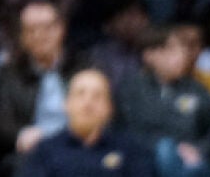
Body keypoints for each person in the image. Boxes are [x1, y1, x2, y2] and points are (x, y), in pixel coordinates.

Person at [116, 27, 210, 177]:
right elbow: (124, 132)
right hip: (145, 161)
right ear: (149, 55)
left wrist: (200, 148)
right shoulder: (131, 90)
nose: (181, 56)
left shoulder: (196, 89)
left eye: (182, 50)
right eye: (171, 50)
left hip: (190, 162)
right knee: (164, 149)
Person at [0, 2, 84, 165]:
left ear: (61, 29)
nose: (39, 35)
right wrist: (21, 134)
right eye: (31, 30)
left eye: (46, 28)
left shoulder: (83, 67)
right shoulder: (10, 74)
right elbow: (3, 121)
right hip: (33, 149)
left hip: (78, 143)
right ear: (22, 37)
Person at [18, 69, 151, 177]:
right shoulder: (44, 152)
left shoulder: (132, 150)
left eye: (97, 96)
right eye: (80, 94)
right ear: (66, 104)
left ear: (109, 108)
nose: (88, 103)